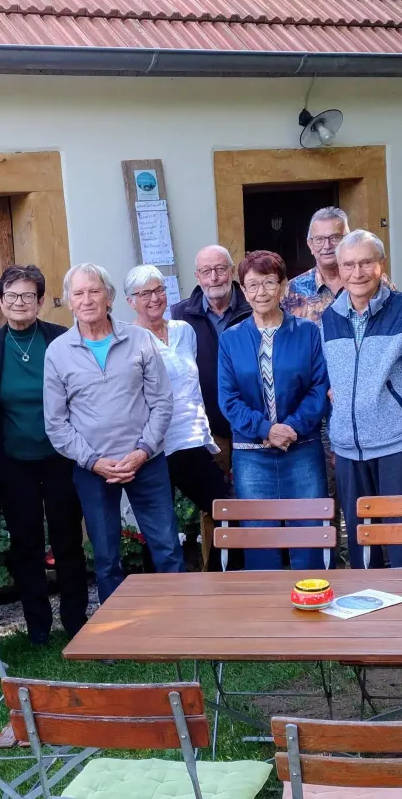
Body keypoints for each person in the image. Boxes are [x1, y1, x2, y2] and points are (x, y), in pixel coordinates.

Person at [44, 263, 182, 601]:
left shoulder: (139, 340)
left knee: (166, 547)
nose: (87, 299)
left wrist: (141, 452)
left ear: (110, 298)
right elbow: (56, 423)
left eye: (95, 291)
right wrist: (94, 462)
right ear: (69, 301)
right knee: (106, 557)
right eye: (79, 293)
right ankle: (115, 637)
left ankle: (183, 626)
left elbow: (162, 402)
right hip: (94, 471)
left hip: (146, 462)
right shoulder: (58, 352)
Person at [320, 231, 402, 569]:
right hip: (348, 449)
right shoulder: (330, 317)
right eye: (349, 265)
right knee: (361, 539)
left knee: (401, 538)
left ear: (381, 265)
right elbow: (332, 381)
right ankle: (365, 610)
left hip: (397, 445)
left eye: (366, 262)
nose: (357, 273)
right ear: (339, 270)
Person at [0, 266, 88, 644]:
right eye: (11, 296)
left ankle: (76, 618)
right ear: (0, 301)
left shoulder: (60, 340)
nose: (20, 302)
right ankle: (38, 626)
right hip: (13, 462)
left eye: (28, 295)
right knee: (26, 543)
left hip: (61, 456)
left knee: (67, 540)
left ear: (41, 301)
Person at [218, 251, 331, 570]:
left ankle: (314, 607)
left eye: (269, 283)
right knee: (260, 541)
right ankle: (264, 616)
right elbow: (228, 399)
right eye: (252, 285)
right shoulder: (231, 339)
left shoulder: (308, 332)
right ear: (243, 290)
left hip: (302, 449)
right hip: (252, 454)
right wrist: (266, 429)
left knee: (310, 537)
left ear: (283, 287)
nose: (261, 292)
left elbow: (319, 387)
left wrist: (291, 428)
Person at [126, 264, 232, 570]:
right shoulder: (129, 339)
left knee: (228, 510)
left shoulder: (184, 331)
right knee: (159, 531)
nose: (154, 298)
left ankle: (218, 583)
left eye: (159, 290)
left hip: (191, 441)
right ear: (131, 301)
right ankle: (156, 601)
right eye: (144, 293)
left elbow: (191, 385)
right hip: (155, 447)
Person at [170, 244, 253, 449]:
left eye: (220, 269)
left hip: (253, 422)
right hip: (208, 430)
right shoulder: (180, 315)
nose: (213, 278)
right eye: (206, 271)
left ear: (232, 271)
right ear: (197, 276)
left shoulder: (254, 307)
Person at [282, 207, 349, 322]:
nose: (327, 246)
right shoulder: (293, 289)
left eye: (334, 238)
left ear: (347, 240)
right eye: (319, 239)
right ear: (310, 245)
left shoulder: (366, 281)